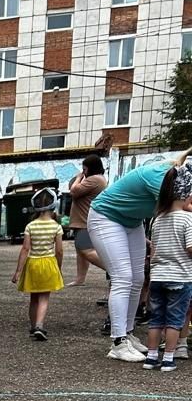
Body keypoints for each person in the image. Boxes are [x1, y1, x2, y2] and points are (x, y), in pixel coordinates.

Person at [88, 148, 192, 361]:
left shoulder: (176, 174)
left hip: (130, 221)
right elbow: (180, 209)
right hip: (105, 217)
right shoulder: (162, 177)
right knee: (122, 277)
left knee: (137, 279)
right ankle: (117, 343)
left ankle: (127, 333)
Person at [143, 165, 192, 371]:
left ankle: (151, 356)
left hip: (158, 277)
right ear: (186, 194)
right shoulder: (187, 219)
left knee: (156, 318)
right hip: (180, 278)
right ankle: (169, 357)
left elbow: (153, 250)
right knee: (175, 319)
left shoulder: (158, 219)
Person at [11, 188, 64, 341]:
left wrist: (18, 271)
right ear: (54, 205)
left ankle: (33, 325)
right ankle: (40, 326)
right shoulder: (56, 226)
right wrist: (58, 268)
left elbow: (25, 249)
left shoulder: (31, 226)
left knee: (33, 298)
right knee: (44, 298)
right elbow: (59, 251)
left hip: (32, 264)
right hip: (48, 264)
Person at [67, 155, 107, 286]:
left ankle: (113, 270)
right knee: (81, 251)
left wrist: (78, 177)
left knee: (86, 250)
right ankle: (80, 278)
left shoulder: (94, 179)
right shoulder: (98, 179)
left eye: (84, 169)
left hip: (85, 220)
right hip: (83, 220)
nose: (83, 172)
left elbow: (74, 191)